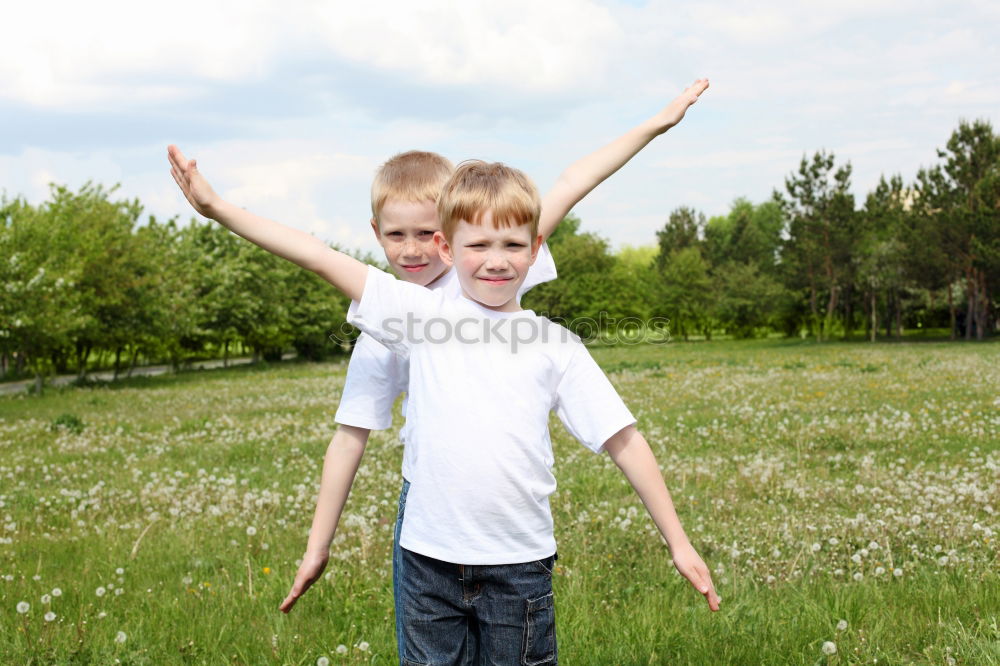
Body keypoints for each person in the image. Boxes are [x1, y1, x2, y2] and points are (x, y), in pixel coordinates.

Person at [166, 79, 718, 663]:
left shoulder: (546, 335)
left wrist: (656, 124)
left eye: (513, 245)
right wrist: (217, 208)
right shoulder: (417, 314)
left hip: (519, 558)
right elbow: (315, 253)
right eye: (477, 244)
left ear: (533, 251)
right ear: (450, 247)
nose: (497, 259)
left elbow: (622, 437)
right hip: (429, 552)